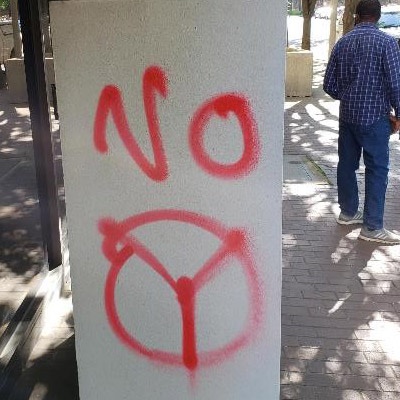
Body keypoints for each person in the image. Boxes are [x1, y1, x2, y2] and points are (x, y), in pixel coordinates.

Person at [323, 0, 400, 244]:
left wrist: (346, 96)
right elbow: (395, 83)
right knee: (377, 169)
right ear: (377, 16)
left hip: (348, 117)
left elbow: (328, 85)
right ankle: (372, 226)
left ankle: (347, 213)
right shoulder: (387, 43)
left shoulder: (342, 42)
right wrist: (398, 114)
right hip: (375, 117)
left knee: (347, 164)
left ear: (357, 16)